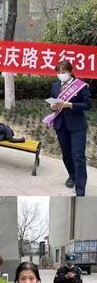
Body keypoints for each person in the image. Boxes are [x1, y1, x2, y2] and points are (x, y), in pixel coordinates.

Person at [45, 60, 92, 196]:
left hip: (77, 126)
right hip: (61, 125)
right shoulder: (55, 86)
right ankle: (72, 175)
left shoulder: (81, 85)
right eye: (58, 72)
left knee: (78, 157)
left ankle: (80, 190)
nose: (61, 74)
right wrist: (53, 106)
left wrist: (70, 105)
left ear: (70, 71)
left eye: (63, 71)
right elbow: (54, 102)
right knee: (66, 155)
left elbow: (87, 105)